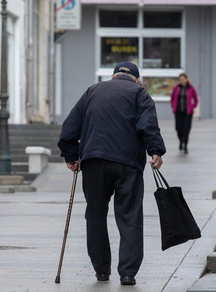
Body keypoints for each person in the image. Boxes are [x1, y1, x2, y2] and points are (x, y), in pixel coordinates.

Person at [57, 61, 166, 286]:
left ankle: (101, 271)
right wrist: (155, 151)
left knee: (95, 215)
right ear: (137, 79)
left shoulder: (92, 91)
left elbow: (69, 128)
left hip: (94, 162)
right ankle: (127, 273)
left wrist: (71, 156)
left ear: (113, 76)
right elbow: (148, 125)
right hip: (127, 164)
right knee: (129, 216)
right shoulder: (140, 93)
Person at [170, 73, 199, 154]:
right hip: (178, 112)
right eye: (180, 80)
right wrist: (173, 106)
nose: (182, 81)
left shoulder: (191, 88)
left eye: (183, 79)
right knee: (178, 129)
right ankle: (180, 141)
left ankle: (185, 146)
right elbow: (172, 99)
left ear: (186, 79)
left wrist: (192, 107)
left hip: (187, 113)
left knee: (186, 130)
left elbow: (195, 99)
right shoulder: (176, 88)